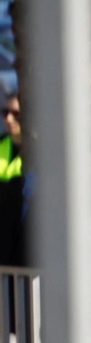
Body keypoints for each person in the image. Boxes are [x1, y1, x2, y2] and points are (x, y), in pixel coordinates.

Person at [0, 94, 22, 266]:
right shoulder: (2, 144)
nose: (8, 118)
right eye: (5, 112)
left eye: (16, 113)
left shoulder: (40, 151)